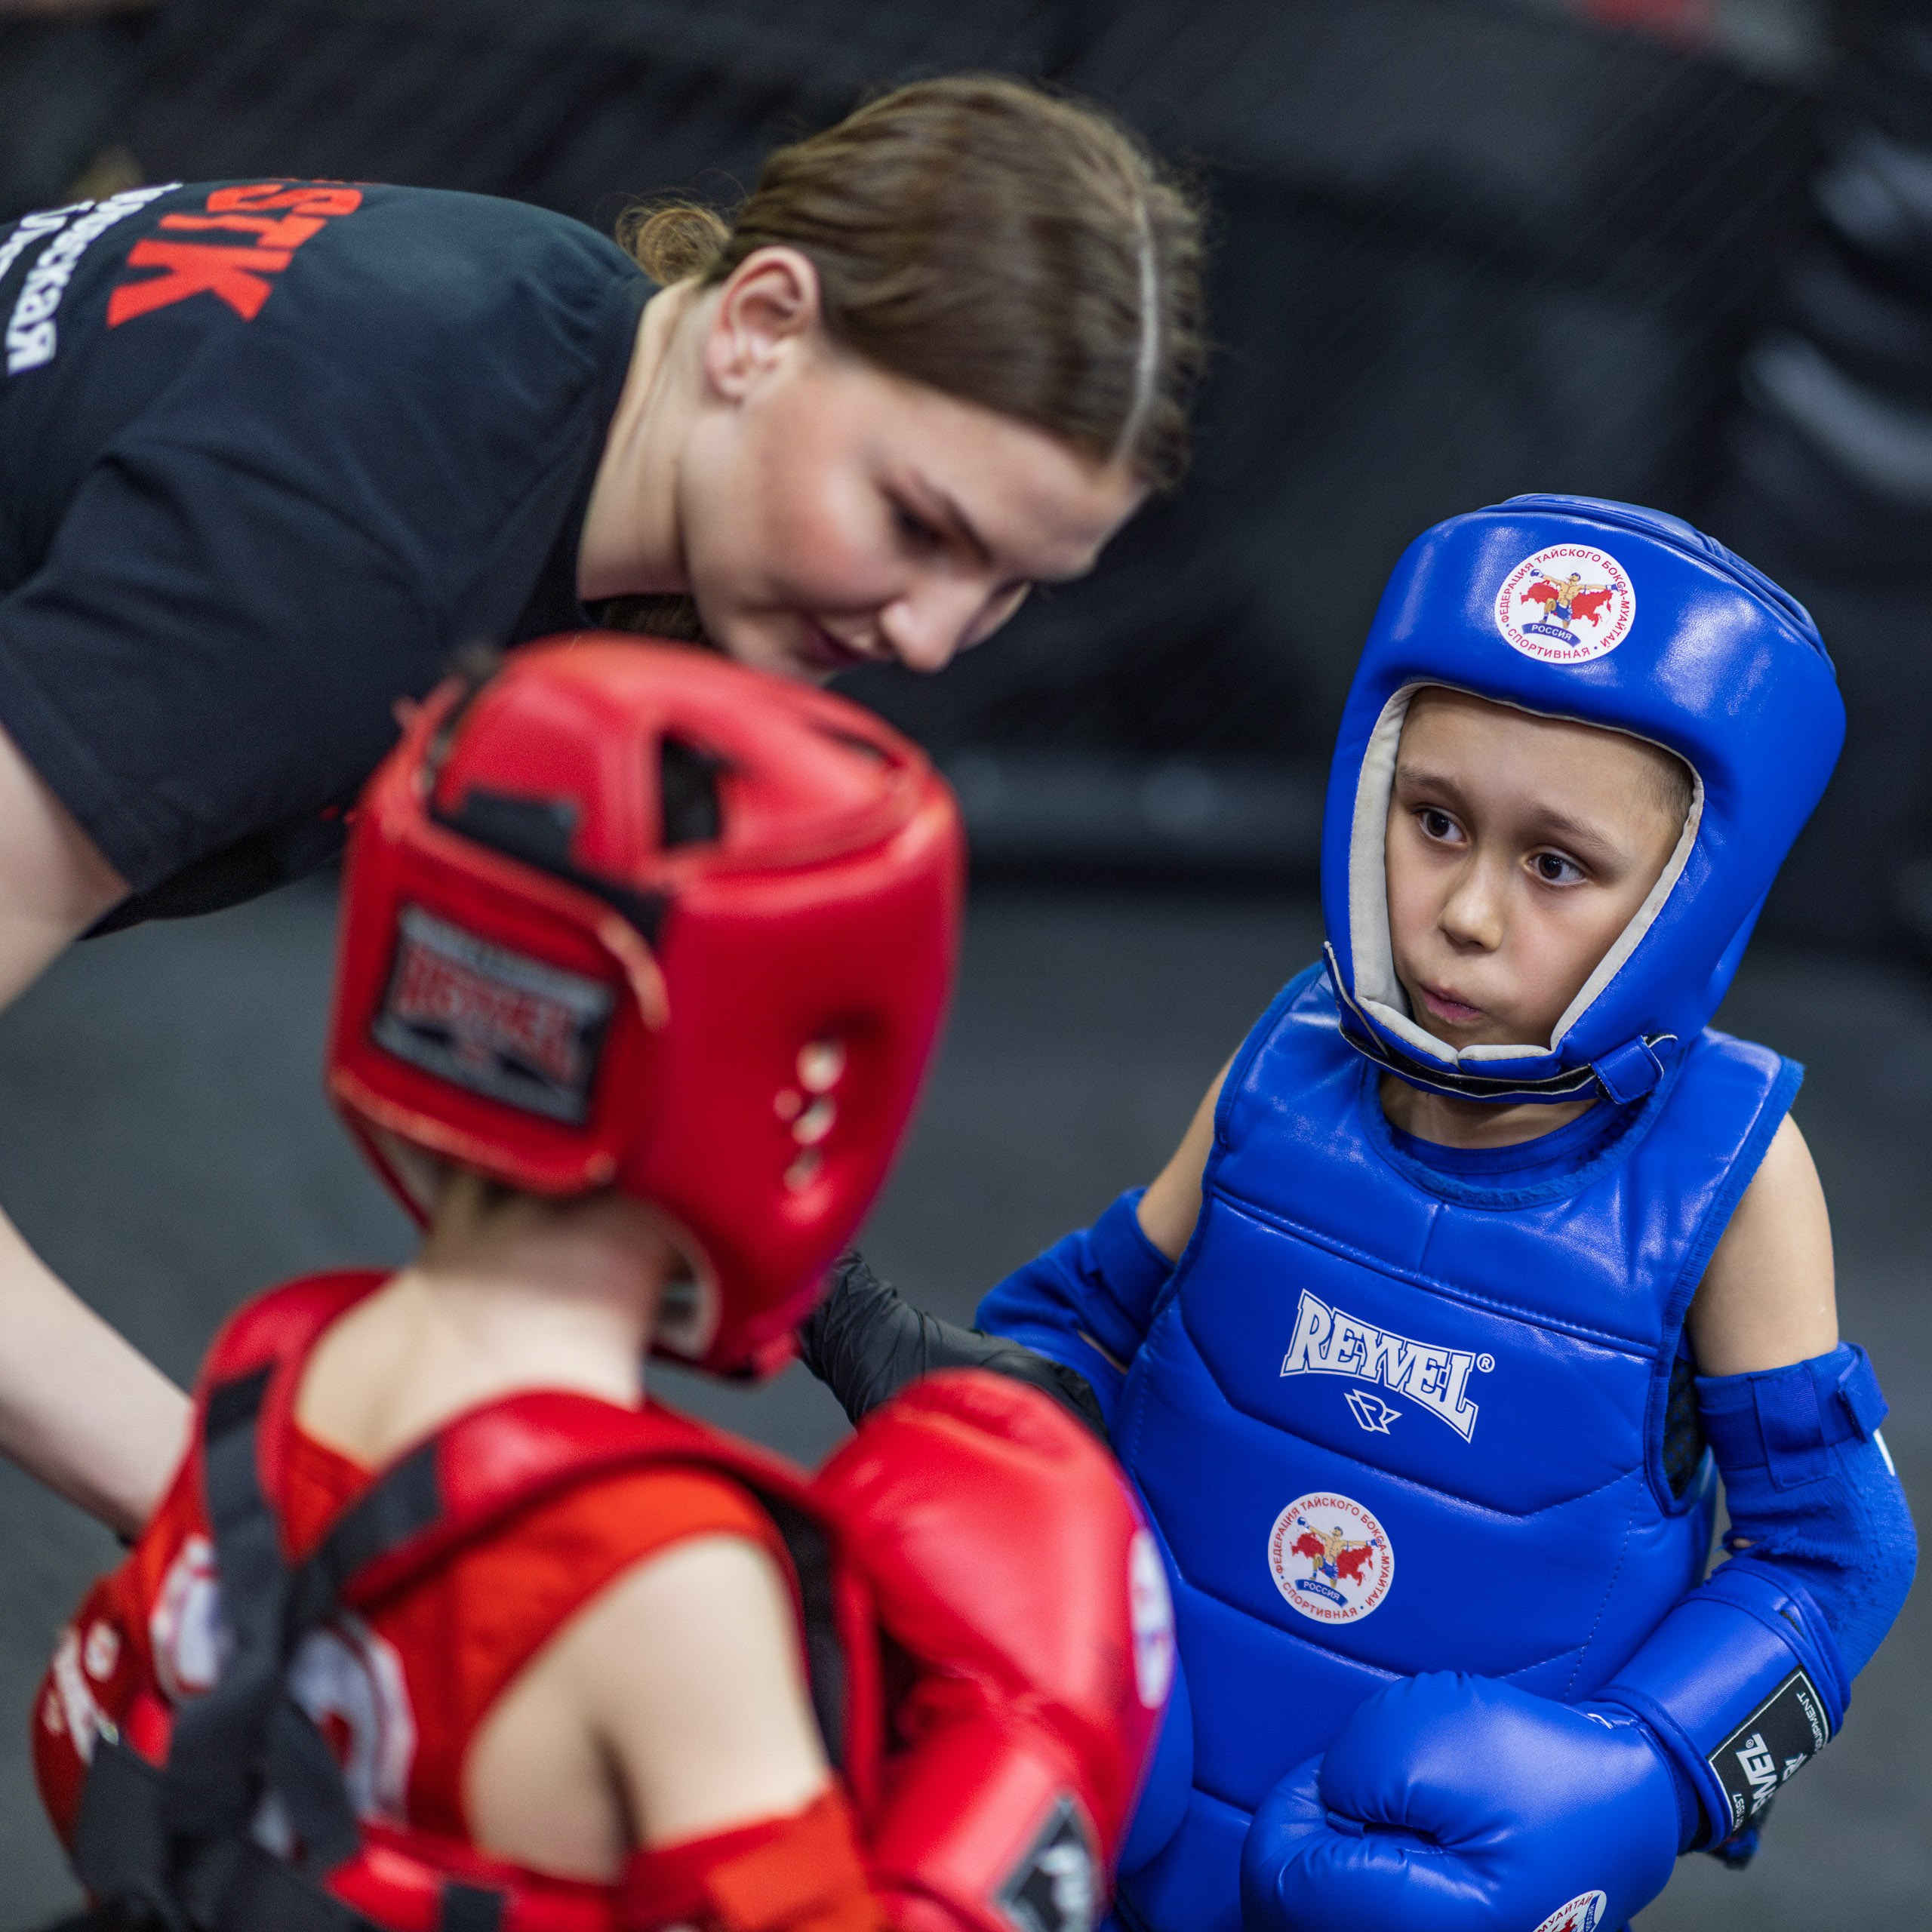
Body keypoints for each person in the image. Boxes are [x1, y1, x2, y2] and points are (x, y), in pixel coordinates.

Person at [0, 73, 1205, 1533]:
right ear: (762, 325)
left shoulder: (569, 345)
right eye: (916, 525)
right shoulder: (352, 538)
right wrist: (229, 1533)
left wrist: (853, 1326)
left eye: (1009, 582)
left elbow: (596, 966)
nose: (934, 636)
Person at [802, 496, 1918, 1932]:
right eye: (1435, 820)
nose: (1463, 912)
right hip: (1116, 1844)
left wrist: (1651, 1768)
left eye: (1556, 865)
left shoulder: (1727, 1174)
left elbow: (1834, 1551)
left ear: (1691, 899)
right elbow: (1083, 1324)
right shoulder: (1291, 1059)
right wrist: (1010, 1449)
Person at [32, 638, 1172, 1932]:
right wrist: (1024, 1812)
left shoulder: (277, 1365)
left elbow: (105, 1769)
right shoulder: (665, 1582)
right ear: (796, 1093)